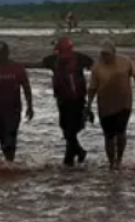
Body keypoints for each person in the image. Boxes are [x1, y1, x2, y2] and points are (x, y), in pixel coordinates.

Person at [87, 40, 135, 171]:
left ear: (113, 53)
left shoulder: (125, 61)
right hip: (105, 106)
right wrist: (88, 105)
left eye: (107, 54)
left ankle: (119, 160)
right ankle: (111, 163)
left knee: (121, 132)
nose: (104, 57)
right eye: (102, 54)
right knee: (108, 136)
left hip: (124, 104)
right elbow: (92, 88)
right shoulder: (97, 67)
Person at [40, 37, 95, 167]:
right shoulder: (79, 58)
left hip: (75, 101)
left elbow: (44, 61)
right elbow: (91, 64)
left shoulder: (59, 60)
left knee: (69, 130)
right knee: (66, 129)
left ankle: (74, 155)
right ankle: (74, 155)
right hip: (65, 101)